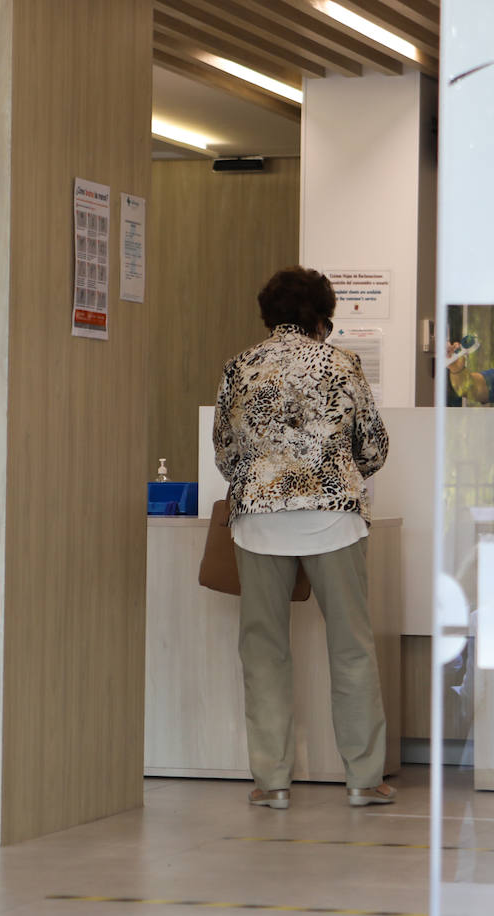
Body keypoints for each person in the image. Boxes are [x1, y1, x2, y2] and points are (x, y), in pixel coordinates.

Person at [212, 265, 394, 810]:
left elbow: (225, 452)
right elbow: (374, 447)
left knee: (264, 651)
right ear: (323, 315)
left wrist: (266, 478)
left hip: (259, 521)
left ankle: (271, 783)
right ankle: (363, 780)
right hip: (333, 519)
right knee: (352, 649)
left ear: (270, 315)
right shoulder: (343, 364)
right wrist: (334, 474)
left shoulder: (239, 368)